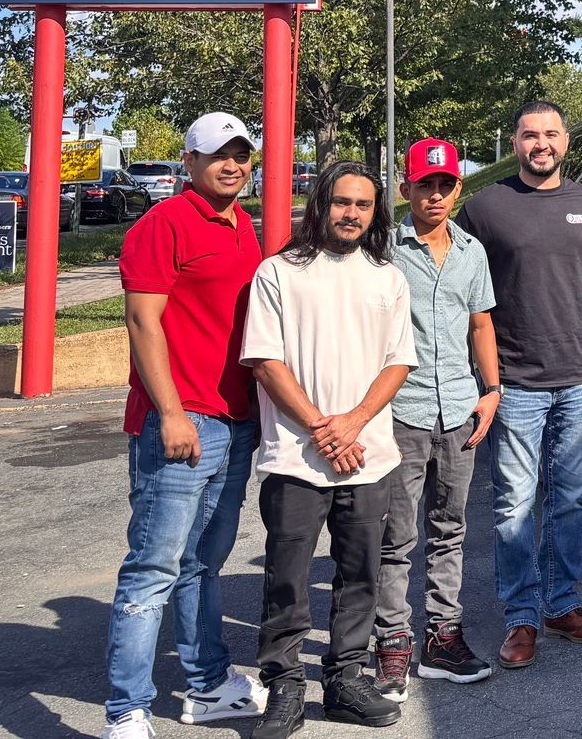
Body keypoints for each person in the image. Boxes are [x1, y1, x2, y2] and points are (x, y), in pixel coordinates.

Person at [104, 113, 266, 739]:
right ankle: (127, 711)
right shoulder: (161, 225)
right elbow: (144, 324)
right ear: (189, 162)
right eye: (217, 155)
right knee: (152, 568)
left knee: (204, 561)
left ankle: (207, 682)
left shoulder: (239, 225)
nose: (232, 165)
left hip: (235, 419)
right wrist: (170, 413)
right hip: (181, 422)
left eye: (241, 155)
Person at [242, 161, 415, 737]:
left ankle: (344, 680)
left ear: (375, 213)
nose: (351, 214)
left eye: (363, 206)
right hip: (296, 458)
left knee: (359, 574)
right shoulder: (280, 273)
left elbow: (398, 362)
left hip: (369, 457)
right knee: (286, 577)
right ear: (320, 204)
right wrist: (324, 428)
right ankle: (284, 686)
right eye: (342, 202)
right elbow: (266, 360)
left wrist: (355, 423)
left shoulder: (386, 277)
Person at [455, 99, 582, 668]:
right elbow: (453, 280)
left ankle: (561, 605)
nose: (540, 143)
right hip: (515, 380)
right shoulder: (484, 209)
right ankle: (521, 618)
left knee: (568, 501)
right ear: (515, 143)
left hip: (578, 376)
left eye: (550, 133)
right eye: (529, 135)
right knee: (514, 506)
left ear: (566, 142)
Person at [371, 138, 502, 701]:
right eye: (425, 184)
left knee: (450, 531)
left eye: (445, 184)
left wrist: (491, 389)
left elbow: (480, 326)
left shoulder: (472, 251)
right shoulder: (382, 250)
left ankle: (442, 639)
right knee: (395, 537)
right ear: (406, 189)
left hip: (459, 411)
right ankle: (391, 644)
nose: (435, 194)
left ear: (458, 189)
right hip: (402, 410)